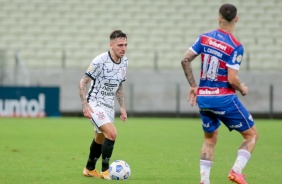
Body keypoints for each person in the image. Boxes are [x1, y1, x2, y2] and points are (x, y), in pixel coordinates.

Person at [181, 4, 258, 184]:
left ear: (219, 18)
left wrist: (194, 85)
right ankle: (236, 171)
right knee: (251, 135)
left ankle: (204, 180)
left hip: (204, 98)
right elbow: (232, 79)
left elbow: (185, 59)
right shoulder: (236, 46)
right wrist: (242, 88)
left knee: (209, 140)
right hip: (223, 98)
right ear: (236, 19)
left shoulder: (205, 38)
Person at [78, 30, 128, 180]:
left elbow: (119, 86)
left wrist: (123, 107)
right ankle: (106, 171)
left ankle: (89, 169)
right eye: (120, 45)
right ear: (111, 45)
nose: (123, 48)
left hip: (109, 105)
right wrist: (85, 105)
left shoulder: (125, 61)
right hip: (95, 103)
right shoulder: (99, 60)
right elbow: (83, 82)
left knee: (100, 138)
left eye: (125, 45)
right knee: (112, 134)